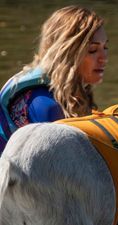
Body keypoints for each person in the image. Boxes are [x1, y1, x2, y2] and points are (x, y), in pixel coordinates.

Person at [0, 5, 108, 152]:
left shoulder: (73, 94)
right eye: (93, 50)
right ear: (67, 53)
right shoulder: (45, 106)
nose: (104, 58)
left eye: (105, 48)